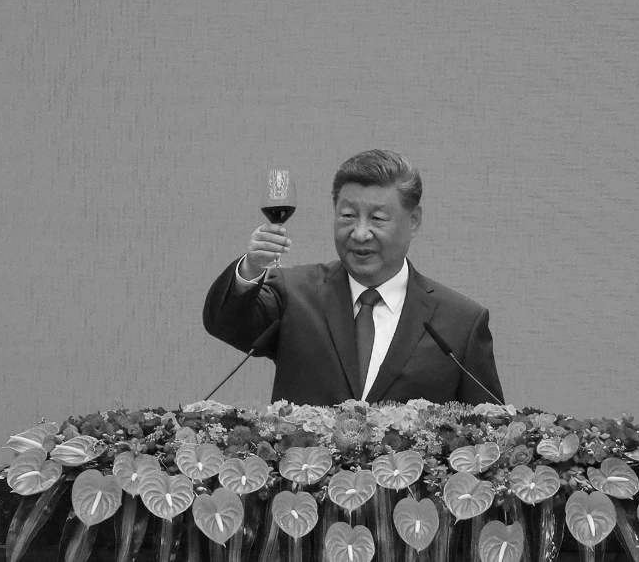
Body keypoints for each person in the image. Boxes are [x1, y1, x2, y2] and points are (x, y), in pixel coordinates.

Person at [202, 150, 504, 405]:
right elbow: (226, 323)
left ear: (413, 221)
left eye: (377, 218)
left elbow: (489, 436)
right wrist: (252, 268)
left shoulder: (460, 323)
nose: (360, 233)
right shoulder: (294, 295)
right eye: (347, 216)